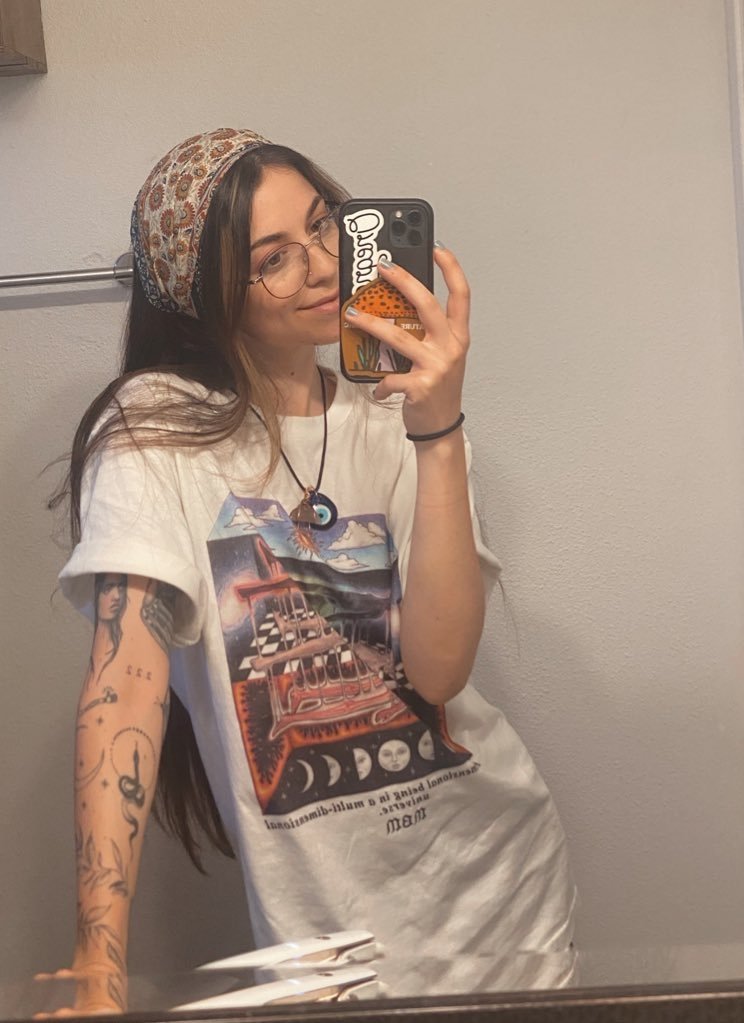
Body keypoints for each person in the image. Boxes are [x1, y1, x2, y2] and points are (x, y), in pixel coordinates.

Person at [43, 128, 576, 1014]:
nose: (325, 266)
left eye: (324, 225)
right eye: (273, 259)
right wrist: (98, 959)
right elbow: (124, 684)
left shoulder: (391, 414)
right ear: (205, 296)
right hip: (326, 928)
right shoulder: (152, 432)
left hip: (499, 882)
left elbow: (440, 670)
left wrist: (439, 428)